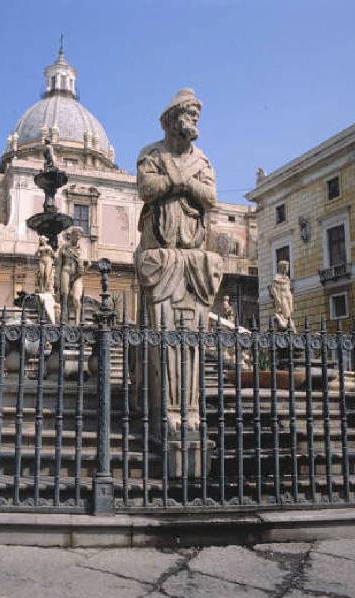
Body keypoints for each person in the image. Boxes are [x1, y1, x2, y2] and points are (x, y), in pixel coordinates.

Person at [135, 88, 223, 434]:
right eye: (189, 115)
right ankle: (165, 410)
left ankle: (183, 409)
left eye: (197, 115)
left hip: (191, 248)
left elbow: (212, 197)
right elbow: (146, 188)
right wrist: (183, 183)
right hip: (160, 246)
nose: (195, 120)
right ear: (173, 120)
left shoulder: (203, 161)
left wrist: (179, 183)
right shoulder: (151, 153)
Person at [57, 226, 85, 324]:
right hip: (66, 271)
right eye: (76, 235)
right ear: (71, 236)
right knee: (64, 295)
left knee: (77, 299)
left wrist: (85, 265)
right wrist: (57, 280)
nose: (77, 238)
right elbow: (59, 264)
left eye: (79, 236)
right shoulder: (64, 247)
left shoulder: (81, 249)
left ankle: (77, 324)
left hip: (77, 276)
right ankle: (63, 321)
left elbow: (83, 264)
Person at [269, 260, 296, 332]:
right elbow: (273, 289)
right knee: (284, 312)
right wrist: (277, 298)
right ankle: (283, 322)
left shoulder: (287, 278)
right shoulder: (277, 277)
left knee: (289, 312)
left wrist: (291, 296)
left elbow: (289, 288)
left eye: (288, 267)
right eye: (286, 267)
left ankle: (288, 323)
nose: (288, 269)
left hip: (288, 297)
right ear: (282, 268)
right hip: (282, 296)